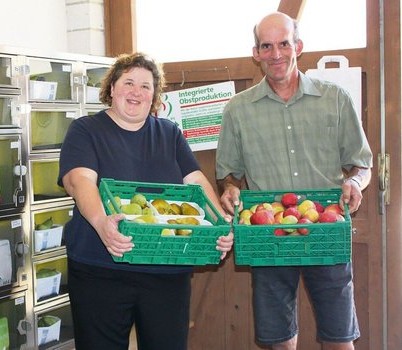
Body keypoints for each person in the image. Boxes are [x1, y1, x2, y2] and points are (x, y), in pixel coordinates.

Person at [215, 12, 373, 350]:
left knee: (339, 338)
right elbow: (229, 173)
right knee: (280, 341)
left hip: (325, 230)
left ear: (298, 46)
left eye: (284, 44)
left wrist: (356, 183)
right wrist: (229, 187)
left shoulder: (335, 99)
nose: (276, 54)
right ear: (255, 53)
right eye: (267, 46)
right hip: (267, 234)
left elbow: (362, 164)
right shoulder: (238, 110)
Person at [58, 52, 234, 350]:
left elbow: (196, 182)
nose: (136, 92)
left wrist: (220, 227)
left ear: (154, 95)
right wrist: (103, 224)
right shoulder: (86, 130)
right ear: (112, 88)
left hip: (166, 270)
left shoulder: (169, 133)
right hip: (101, 268)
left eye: (146, 86)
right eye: (128, 83)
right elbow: (79, 181)